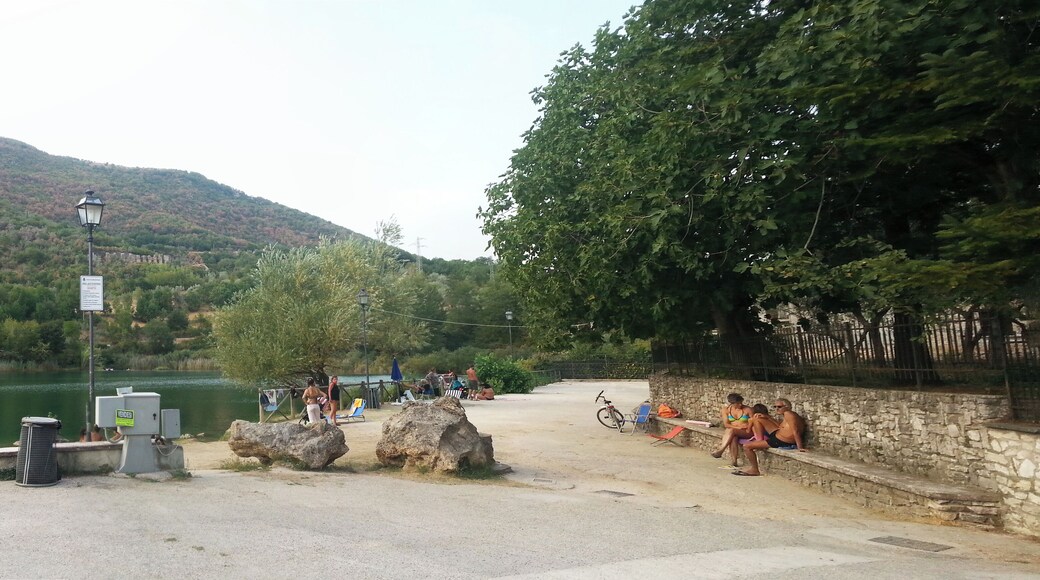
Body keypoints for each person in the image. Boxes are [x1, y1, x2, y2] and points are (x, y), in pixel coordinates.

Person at [733, 398, 807, 476]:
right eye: (775, 407)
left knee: (746, 447)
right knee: (757, 418)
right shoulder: (788, 414)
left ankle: (754, 469)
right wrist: (767, 417)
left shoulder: (788, 414)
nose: (777, 409)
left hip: (780, 440)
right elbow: (780, 427)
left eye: (779, 407)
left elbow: (796, 431)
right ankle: (759, 439)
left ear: (787, 407)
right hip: (777, 434)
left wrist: (800, 447)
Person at [710, 393, 753, 467]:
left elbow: (754, 422)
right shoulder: (726, 410)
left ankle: (721, 450)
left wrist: (746, 427)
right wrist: (738, 428)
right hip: (735, 430)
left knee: (731, 430)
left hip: (747, 431)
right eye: (738, 403)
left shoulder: (747, 409)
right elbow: (726, 424)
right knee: (733, 437)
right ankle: (734, 461)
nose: (740, 405)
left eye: (741, 403)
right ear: (732, 403)